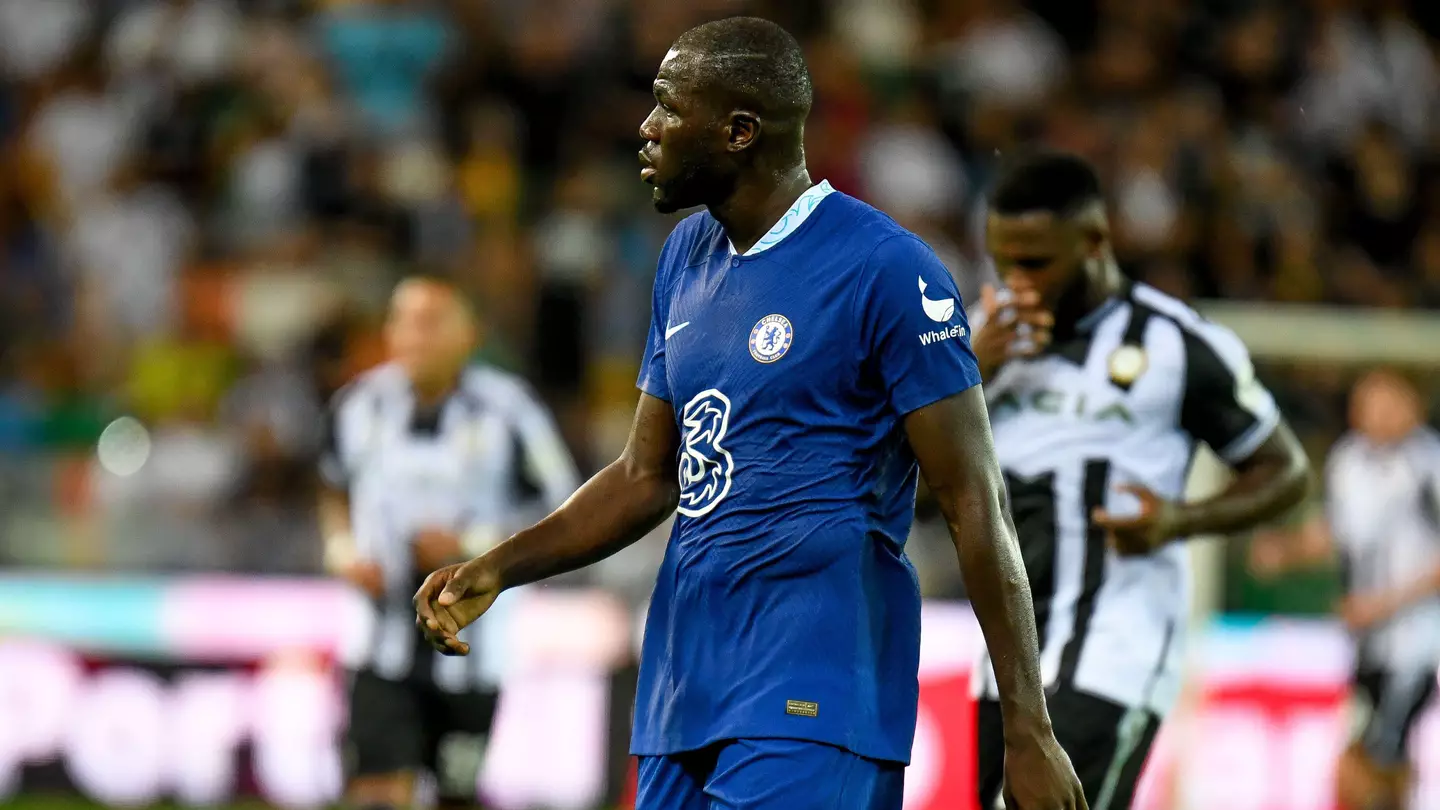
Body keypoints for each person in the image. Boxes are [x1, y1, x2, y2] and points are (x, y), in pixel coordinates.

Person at [415, 16, 1085, 810]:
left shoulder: (887, 269)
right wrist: (499, 565)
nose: (646, 128)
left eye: (667, 107)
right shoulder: (685, 259)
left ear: (738, 132)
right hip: (681, 689)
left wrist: (1027, 728)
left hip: (815, 689)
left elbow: (977, 503)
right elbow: (644, 475)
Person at [969, 151, 1312, 810]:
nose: (1017, 280)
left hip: (1112, 646)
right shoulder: (979, 343)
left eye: (1035, 262)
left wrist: (1179, 520)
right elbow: (923, 498)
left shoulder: (1175, 344)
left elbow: (1287, 471)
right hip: (1006, 661)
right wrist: (968, 372)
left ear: (1095, 239)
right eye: (1001, 260)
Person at [319, 276, 580, 810]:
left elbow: (564, 505)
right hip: (378, 641)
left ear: (469, 334)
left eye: (432, 321)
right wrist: (342, 550)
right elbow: (331, 488)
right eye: (402, 320)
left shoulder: (511, 410)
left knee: (455, 797)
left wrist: (474, 546)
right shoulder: (358, 405)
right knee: (374, 795)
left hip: (473, 646)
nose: (414, 335)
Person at [1251, 370, 1440, 810]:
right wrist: (1287, 551)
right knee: (1371, 754)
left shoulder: (1429, 465)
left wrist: (1382, 604)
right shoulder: (1348, 461)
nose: (1374, 414)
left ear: (1412, 406)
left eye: (1386, 402)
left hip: (1417, 641)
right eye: (1365, 403)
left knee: (1372, 757)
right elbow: (1337, 531)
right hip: (1364, 642)